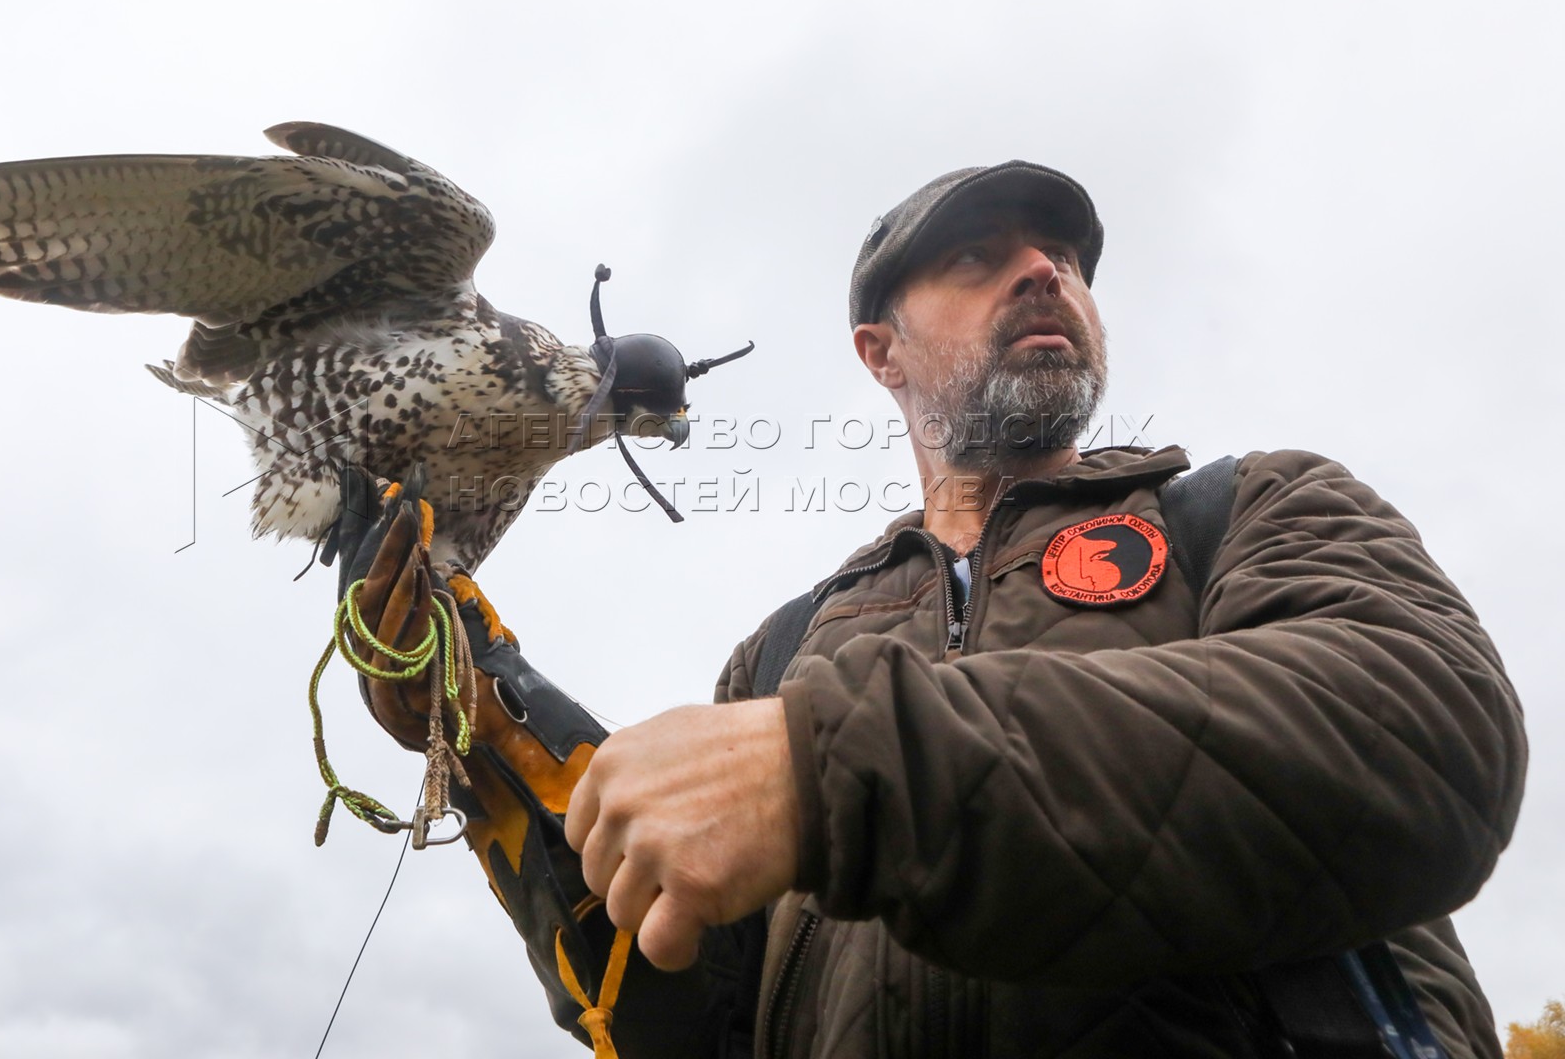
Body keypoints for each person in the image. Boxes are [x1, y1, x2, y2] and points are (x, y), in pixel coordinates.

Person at [331, 160, 1527, 1058]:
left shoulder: (1241, 514)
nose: (1041, 270)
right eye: (978, 257)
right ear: (878, 351)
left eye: (1060, 254)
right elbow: (690, 1020)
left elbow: (1423, 735)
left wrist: (833, 773)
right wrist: (489, 743)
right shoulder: (786, 656)